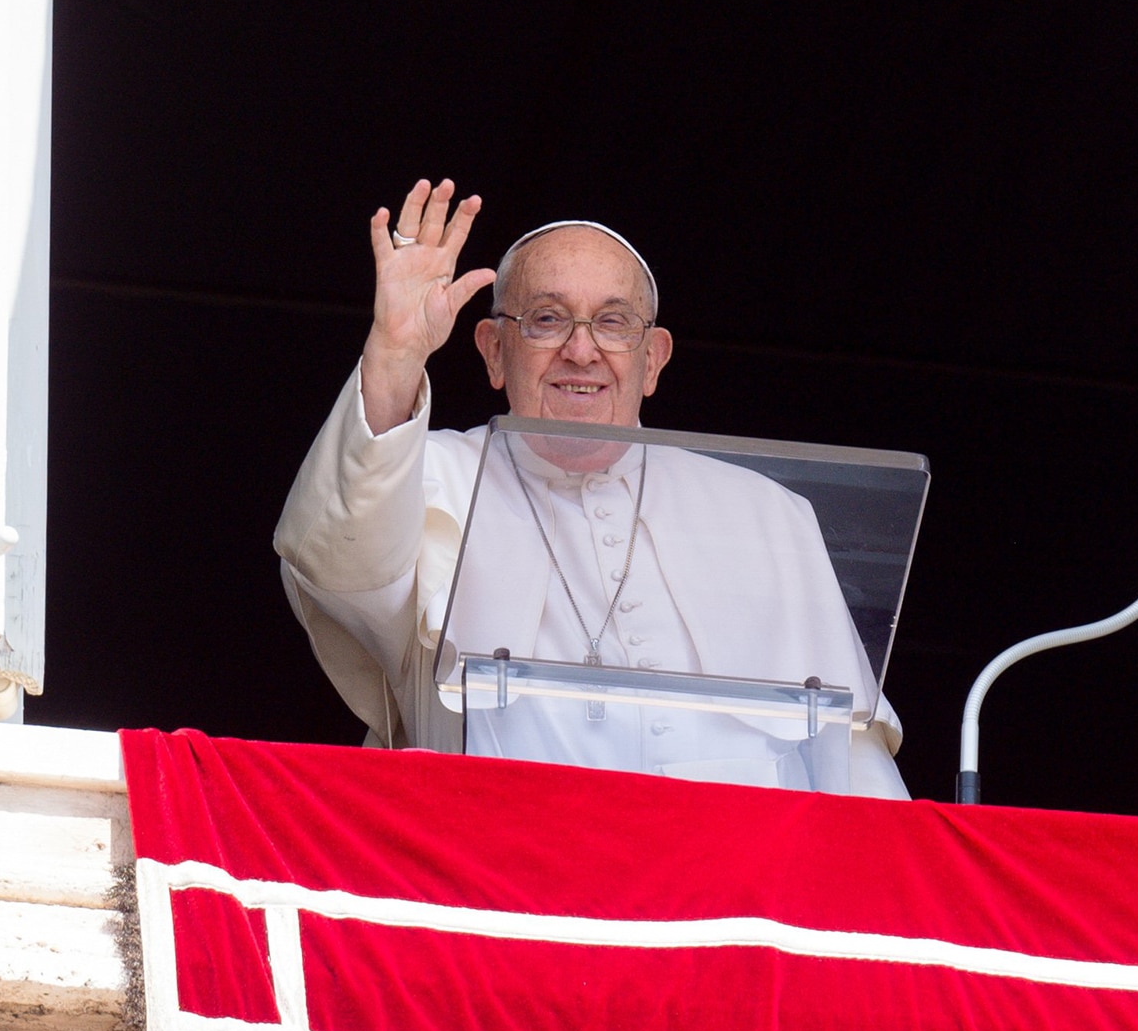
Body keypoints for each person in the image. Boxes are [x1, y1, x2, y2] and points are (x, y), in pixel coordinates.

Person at [275, 179, 908, 798]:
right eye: (547, 320)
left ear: (653, 360)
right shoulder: (430, 474)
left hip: (743, 886)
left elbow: (847, 748)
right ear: (495, 352)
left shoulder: (767, 514)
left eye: (614, 323)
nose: (582, 350)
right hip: (513, 875)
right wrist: (394, 354)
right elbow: (340, 563)